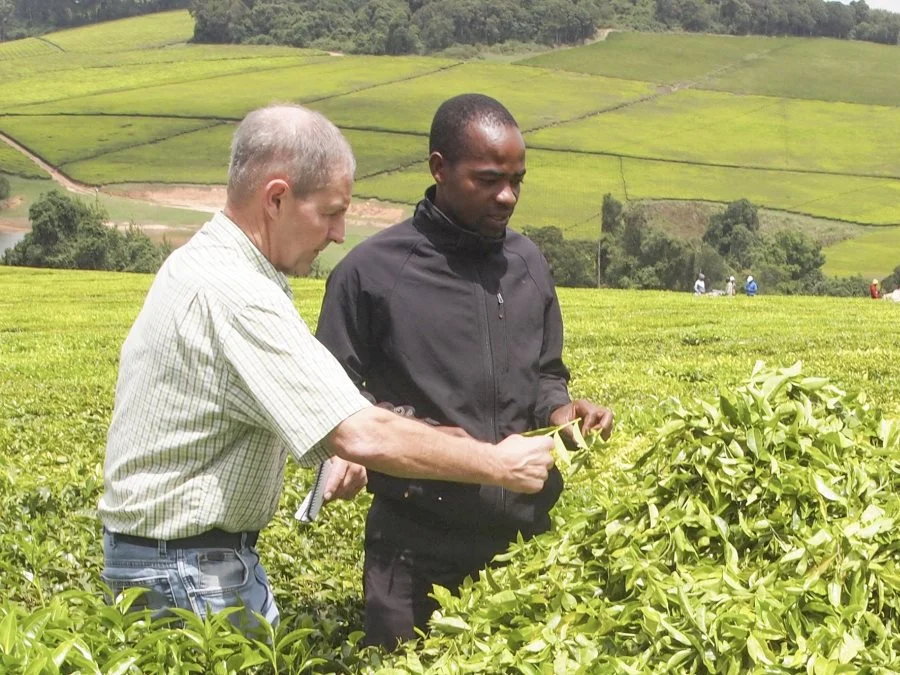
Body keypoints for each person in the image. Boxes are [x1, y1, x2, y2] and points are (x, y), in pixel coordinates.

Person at [98, 104, 555, 635]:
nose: (340, 234)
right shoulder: (237, 294)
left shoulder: (209, 264)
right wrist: (497, 465)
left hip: (187, 561)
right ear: (276, 198)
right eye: (331, 212)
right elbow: (357, 431)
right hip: (186, 570)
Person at [316, 94, 614, 649]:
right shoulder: (372, 273)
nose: (507, 196)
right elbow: (332, 403)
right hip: (415, 557)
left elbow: (546, 372)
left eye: (518, 180)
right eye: (488, 179)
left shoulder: (527, 264)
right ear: (438, 168)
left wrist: (563, 410)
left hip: (524, 547)